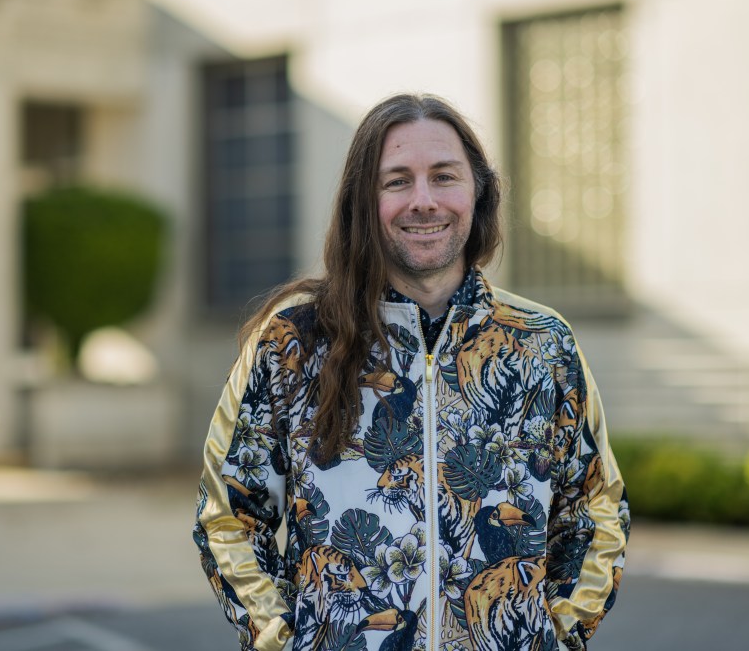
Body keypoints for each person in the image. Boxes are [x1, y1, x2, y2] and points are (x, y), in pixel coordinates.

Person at [193, 93, 628, 651]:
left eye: (444, 176)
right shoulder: (291, 344)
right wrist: (283, 638)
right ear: (363, 201)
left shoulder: (542, 344)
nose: (424, 201)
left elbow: (596, 508)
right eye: (397, 181)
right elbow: (229, 513)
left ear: (478, 192)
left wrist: (557, 633)